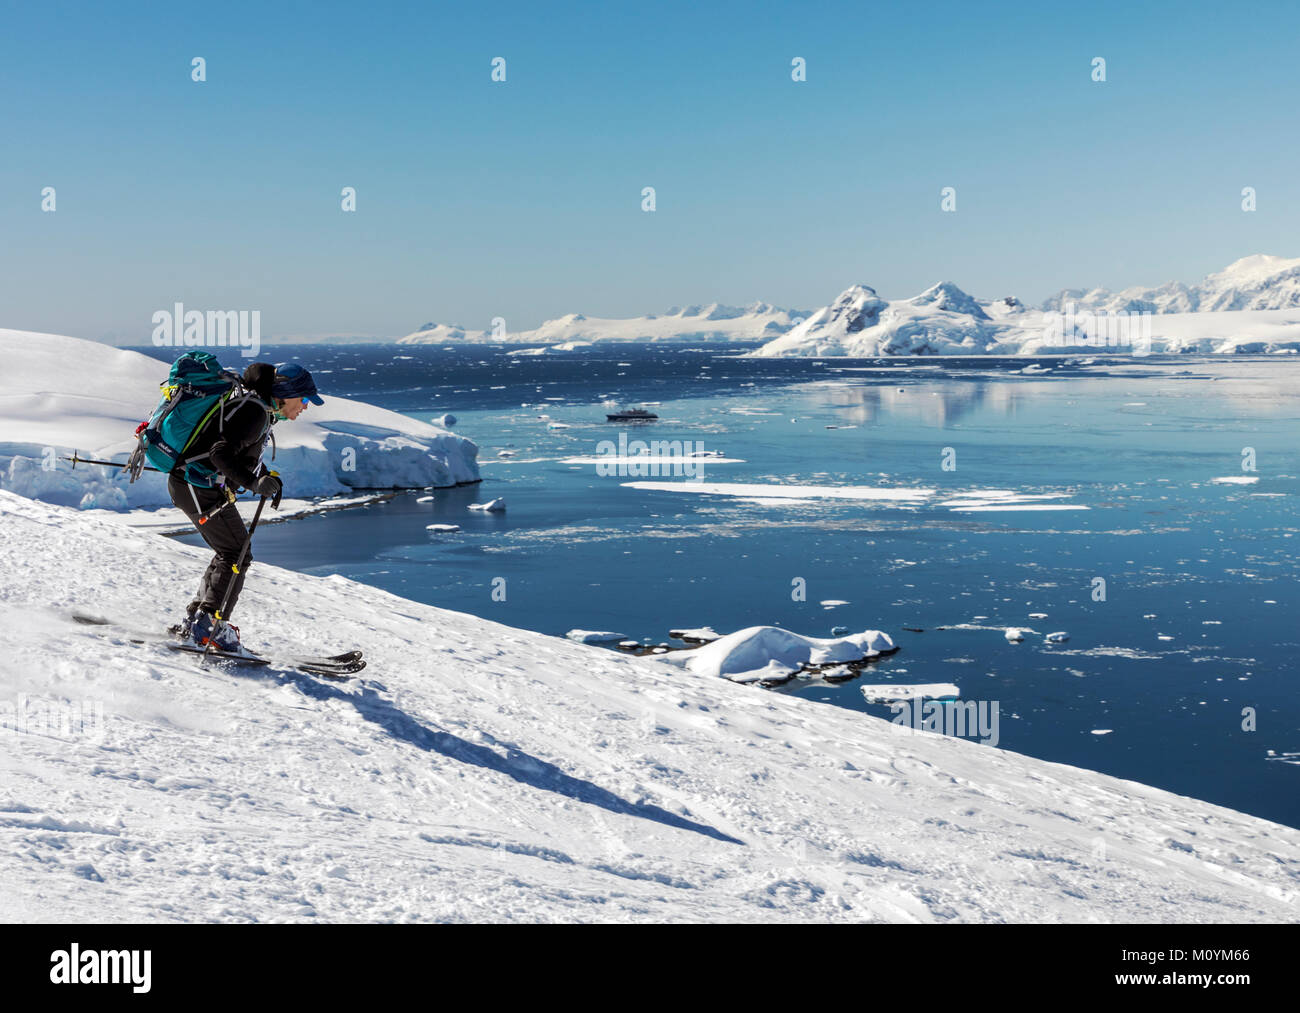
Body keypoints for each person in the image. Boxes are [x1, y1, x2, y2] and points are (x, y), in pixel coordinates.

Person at [169, 361, 324, 651]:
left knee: (231, 551)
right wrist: (253, 485)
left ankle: (198, 621)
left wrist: (263, 476)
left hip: (191, 484)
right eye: (303, 399)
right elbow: (220, 453)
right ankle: (209, 627)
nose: (304, 407)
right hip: (197, 486)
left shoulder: (258, 410)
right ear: (285, 393)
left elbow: (239, 453)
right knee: (236, 553)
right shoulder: (255, 412)